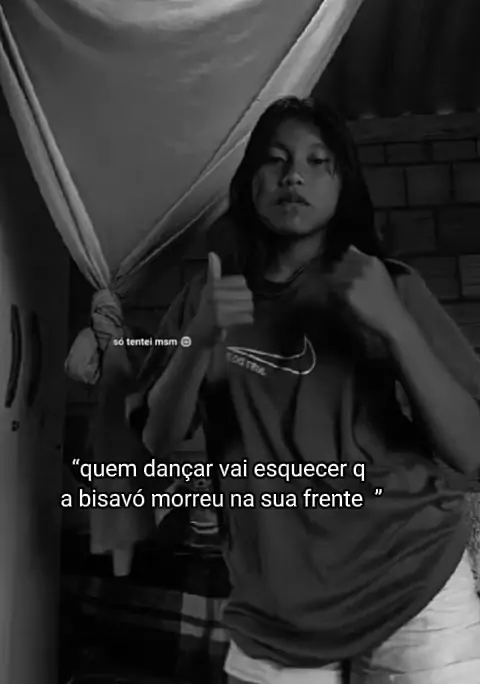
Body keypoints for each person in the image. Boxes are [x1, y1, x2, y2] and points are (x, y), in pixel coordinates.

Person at [128, 96, 480, 683]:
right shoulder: (207, 298)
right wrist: (200, 336)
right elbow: (158, 440)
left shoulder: (389, 285)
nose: (294, 175)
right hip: (275, 608)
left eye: (319, 161)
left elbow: (470, 451)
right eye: (276, 159)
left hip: (411, 584)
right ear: (250, 182)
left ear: (343, 185)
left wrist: (395, 324)